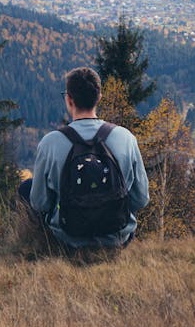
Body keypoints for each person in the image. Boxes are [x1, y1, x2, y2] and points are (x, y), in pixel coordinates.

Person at [19, 67, 149, 249]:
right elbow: (141, 199)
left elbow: (40, 203)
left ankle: (43, 244)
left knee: (26, 187)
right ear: (99, 98)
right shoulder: (126, 138)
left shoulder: (50, 143)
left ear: (69, 99)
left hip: (67, 238)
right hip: (117, 236)